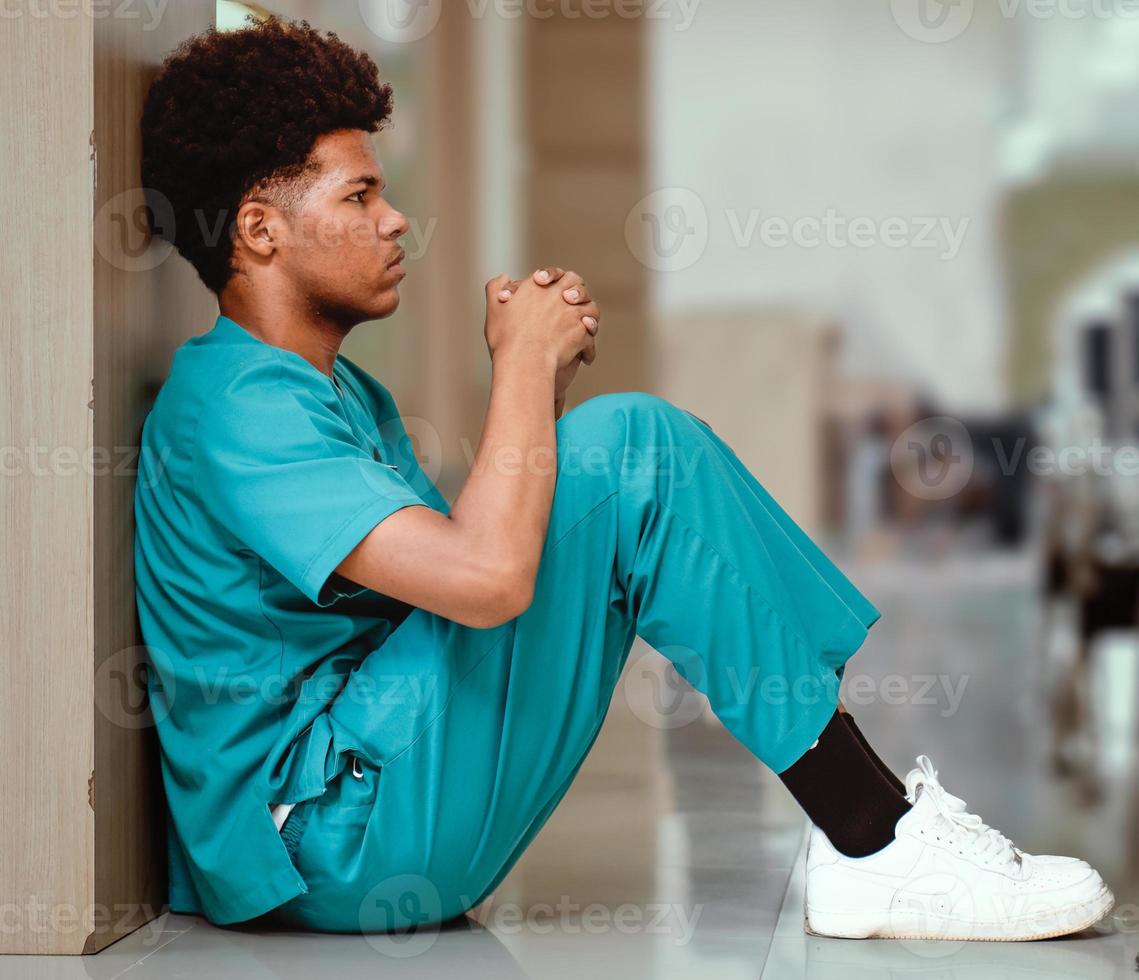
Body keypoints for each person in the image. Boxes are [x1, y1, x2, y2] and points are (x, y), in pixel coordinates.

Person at [133, 18, 1112, 942]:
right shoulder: (234, 402)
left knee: (631, 450)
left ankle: (868, 815)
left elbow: (462, 586)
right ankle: (872, 835)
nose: (395, 221)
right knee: (629, 445)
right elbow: (486, 582)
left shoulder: (338, 391)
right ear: (259, 231)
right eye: (358, 197)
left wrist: (537, 389)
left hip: (368, 806)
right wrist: (518, 372)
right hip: (323, 838)